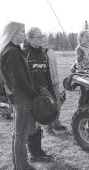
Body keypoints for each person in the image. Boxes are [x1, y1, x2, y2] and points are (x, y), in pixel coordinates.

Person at [0, 22, 40, 170]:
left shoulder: (13, 50)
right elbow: (19, 80)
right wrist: (35, 96)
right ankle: (21, 166)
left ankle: (19, 164)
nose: (24, 34)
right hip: (22, 99)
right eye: (22, 32)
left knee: (19, 133)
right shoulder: (12, 52)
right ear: (13, 34)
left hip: (19, 97)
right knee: (21, 134)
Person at [22, 27, 54, 161]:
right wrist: (35, 92)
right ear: (29, 38)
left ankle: (39, 151)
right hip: (30, 95)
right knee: (31, 125)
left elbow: (48, 76)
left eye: (42, 36)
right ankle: (34, 154)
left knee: (38, 123)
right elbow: (23, 78)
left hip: (42, 95)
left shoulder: (43, 54)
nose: (41, 39)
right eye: (38, 37)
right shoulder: (24, 54)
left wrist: (51, 93)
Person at [40, 34, 67, 131]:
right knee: (48, 105)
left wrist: (57, 79)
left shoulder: (51, 52)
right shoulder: (39, 54)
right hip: (46, 85)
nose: (46, 42)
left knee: (57, 103)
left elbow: (54, 66)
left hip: (55, 82)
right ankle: (49, 126)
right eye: (43, 41)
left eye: (46, 40)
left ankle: (56, 123)